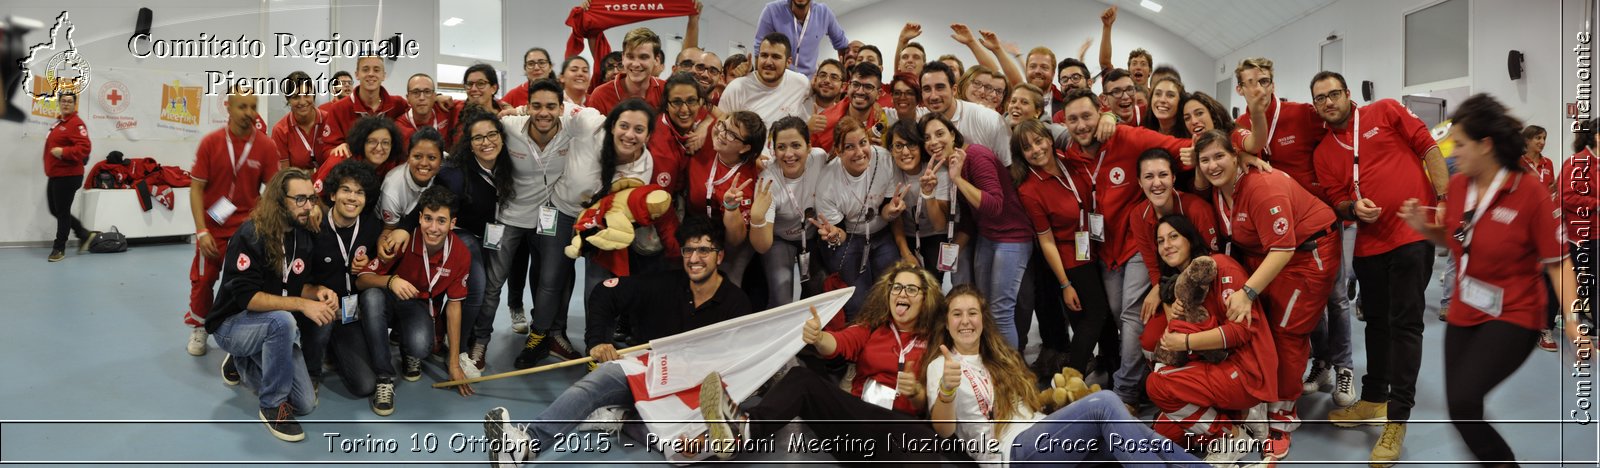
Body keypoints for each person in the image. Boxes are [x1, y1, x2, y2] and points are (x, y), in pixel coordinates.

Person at [1398, 94, 1585, 466]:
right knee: (1461, 408)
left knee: (1466, 400)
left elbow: (1558, 261)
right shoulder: (1459, 187)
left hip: (1514, 314)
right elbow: (1456, 237)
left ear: (1485, 145)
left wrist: (1575, 323)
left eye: (1460, 145)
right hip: (1466, 310)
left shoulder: (1528, 191)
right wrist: (1425, 228)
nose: (1452, 152)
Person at [482, 215, 752, 466]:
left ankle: (621, 418)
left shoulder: (737, 305)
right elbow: (605, 293)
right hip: (649, 371)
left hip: (692, 391)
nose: (694, 258)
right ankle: (524, 446)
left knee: (686, 448)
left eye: (704, 250)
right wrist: (598, 341)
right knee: (595, 383)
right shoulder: (665, 285)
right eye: (688, 250)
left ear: (720, 257)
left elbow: (739, 365)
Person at [1309, 71, 1447, 465]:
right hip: (1369, 246)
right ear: (1316, 106)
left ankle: (1397, 419)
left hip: (1410, 235)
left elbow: (1428, 149)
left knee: (1405, 326)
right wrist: (1352, 208)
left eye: (1334, 93)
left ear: (1348, 94)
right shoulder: (1323, 151)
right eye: (1320, 98)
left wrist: (1443, 199)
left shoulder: (1383, 111)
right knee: (1378, 325)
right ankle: (1372, 399)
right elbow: (1336, 198)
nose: (1329, 101)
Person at [920, 285, 1208, 465]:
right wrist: (947, 389)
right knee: (1105, 403)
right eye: (957, 314)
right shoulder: (942, 366)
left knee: (1130, 432)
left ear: (983, 319)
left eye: (972, 313)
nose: (966, 321)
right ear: (946, 322)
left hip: (1045, 437)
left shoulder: (1001, 356)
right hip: (1010, 455)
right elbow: (944, 431)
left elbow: (1033, 405)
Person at [699, 262, 948, 463]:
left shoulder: (935, 342)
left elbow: (932, 405)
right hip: (858, 425)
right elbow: (840, 342)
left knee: (923, 439)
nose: (902, 293)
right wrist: (819, 338)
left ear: (926, 298)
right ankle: (746, 429)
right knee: (801, 379)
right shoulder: (872, 329)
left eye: (911, 289)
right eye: (896, 287)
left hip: (902, 431)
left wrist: (916, 392)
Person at [1195, 128, 1340, 460]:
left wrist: (1247, 291)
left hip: (1307, 254)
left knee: (1287, 332)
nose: (1213, 165)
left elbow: (1283, 248)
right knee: (1261, 328)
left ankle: (1284, 418)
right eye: (1205, 160)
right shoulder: (1219, 190)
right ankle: (1262, 398)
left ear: (1236, 157)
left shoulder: (1263, 186)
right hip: (1267, 253)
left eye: (1220, 156)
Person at [1055, 87, 1189, 409]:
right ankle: (1145, 373)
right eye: (1073, 120)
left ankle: (1126, 392)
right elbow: (1026, 130)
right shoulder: (1067, 154)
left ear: (1100, 110)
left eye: (1087, 116)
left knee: (1130, 313)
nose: (1082, 125)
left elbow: (1183, 148)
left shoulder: (1128, 138)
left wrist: (1238, 149)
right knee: (1118, 314)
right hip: (1102, 251)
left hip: (1136, 244)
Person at [1142, 214, 1278, 463]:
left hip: (1247, 368)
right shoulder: (1180, 287)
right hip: (1218, 366)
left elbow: (1241, 332)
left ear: (1190, 240)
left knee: (1157, 385)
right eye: (1160, 241)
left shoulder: (1221, 266)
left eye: (1174, 237)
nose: (1167, 245)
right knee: (1164, 432)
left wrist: (1183, 343)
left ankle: (1232, 437)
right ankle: (1240, 417)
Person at [209, 168, 325, 442]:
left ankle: (243, 361)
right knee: (283, 320)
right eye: (300, 199)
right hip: (232, 323)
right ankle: (272, 405)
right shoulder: (251, 235)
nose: (308, 206)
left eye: (311, 198)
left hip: (267, 323)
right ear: (278, 200)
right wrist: (301, 305)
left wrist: (319, 292)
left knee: (305, 403)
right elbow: (248, 298)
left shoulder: (302, 235)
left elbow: (293, 285)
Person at [499, 79, 604, 368]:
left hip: (559, 213)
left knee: (556, 277)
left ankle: (549, 334)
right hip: (522, 214)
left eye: (550, 106)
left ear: (562, 108)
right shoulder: (511, 126)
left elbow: (588, 116)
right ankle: (539, 332)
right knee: (530, 277)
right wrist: (513, 110)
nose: (543, 112)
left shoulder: (574, 126)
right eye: (536, 106)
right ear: (527, 107)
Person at [356, 185, 477, 416]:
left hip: (417, 305)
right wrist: (391, 281)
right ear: (419, 218)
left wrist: (453, 364)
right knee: (371, 298)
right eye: (428, 219)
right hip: (386, 297)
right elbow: (362, 280)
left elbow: (454, 306)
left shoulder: (461, 254)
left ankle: (407, 347)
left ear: (453, 224)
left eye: (441, 221)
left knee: (422, 347)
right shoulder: (402, 240)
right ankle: (384, 377)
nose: (433, 228)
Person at [186, 86, 284, 357]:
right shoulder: (211, 143)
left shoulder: (265, 145)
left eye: (253, 107)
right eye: (243, 106)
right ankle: (200, 327)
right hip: (213, 229)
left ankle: (244, 332)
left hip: (247, 232)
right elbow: (196, 189)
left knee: (248, 283)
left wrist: (261, 220)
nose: (249, 113)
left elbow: (273, 190)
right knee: (203, 281)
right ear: (228, 106)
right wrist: (201, 231)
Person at [1012, 119, 1112, 374]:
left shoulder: (1067, 160)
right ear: (1021, 154)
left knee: (1102, 320)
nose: (1036, 150)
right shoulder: (1029, 189)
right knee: (1096, 315)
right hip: (1071, 259)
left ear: (1049, 139)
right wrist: (1065, 284)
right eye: (1027, 147)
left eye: (1039, 141)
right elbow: (1046, 241)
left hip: (1095, 248)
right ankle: (1072, 379)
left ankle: (1113, 371)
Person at [934, 113, 1032, 346]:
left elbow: (994, 206)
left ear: (953, 134)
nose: (933, 142)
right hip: (987, 237)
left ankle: (1011, 373)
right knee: (983, 307)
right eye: (927, 137)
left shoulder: (976, 155)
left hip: (1012, 238)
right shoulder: (952, 164)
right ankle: (990, 365)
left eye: (939, 134)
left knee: (1001, 311)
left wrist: (957, 180)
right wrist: (952, 251)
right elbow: (970, 216)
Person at [303, 159, 382, 399]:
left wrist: (370, 263)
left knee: (365, 386)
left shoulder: (371, 227)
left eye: (359, 192)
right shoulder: (314, 227)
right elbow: (297, 282)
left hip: (349, 315)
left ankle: (333, 349)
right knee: (323, 316)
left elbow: (379, 263)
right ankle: (311, 371)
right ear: (333, 194)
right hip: (318, 310)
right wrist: (316, 292)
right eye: (346, 190)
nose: (352, 197)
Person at [814, 115, 905, 317]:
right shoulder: (827, 182)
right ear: (837, 151)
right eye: (849, 147)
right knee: (858, 304)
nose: (859, 152)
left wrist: (890, 212)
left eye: (863, 143)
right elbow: (841, 233)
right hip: (850, 238)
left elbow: (884, 206)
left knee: (891, 292)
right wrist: (835, 235)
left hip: (881, 234)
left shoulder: (884, 159)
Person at [750, 116, 830, 307]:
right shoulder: (767, 181)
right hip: (780, 239)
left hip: (812, 237)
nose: (789, 154)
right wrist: (757, 217)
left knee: (818, 292)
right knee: (781, 298)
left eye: (796, 145)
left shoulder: (819, 158)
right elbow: (761, 246)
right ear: (773, 150)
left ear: (808, 147)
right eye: (781, 147)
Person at [689, 110, 765, 288]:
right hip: (693, 224)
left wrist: (731, 208)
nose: (721, 134)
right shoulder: (710, 137)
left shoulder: (745, 183)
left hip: (724, 236)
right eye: (723, 126)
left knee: (727, 283)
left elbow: (736, 240)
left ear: (745, 148)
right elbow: (707, 105)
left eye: (731, 135)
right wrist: (705, 124)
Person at [1234, 57, 1324, 195]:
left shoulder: (1302, 113)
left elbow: (1337, 140)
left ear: (1273, 86)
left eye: (1264, 81)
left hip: (1311, 200)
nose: (1259, 89)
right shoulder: (1239, 125)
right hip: (1270, 203)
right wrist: (1240, 155)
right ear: (1239, 89)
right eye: (1251, 82)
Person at [886, 119, 950, 280]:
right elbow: (895, 219)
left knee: (932, 284)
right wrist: (905, 252)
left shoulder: (938, 172)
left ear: (920, 146)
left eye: (911, 144)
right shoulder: (890, 171)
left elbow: (940, 224)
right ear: (891, 150)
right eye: (899, 146)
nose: (905, 152)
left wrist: (928, 194)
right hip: (905, 236)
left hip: (934, 235)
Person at [915, 61, 1013, 165]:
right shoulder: (919, 120)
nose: (933, 96)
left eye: (940, 87)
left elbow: (1011, 167)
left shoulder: (989, 119)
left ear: (954, 90)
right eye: (927, 89)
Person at [41, 90, 97, 262]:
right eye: (63, 101)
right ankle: (84, 234)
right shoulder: (59, 123)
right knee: (55, 209)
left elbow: (85, 148)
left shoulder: (76, 124)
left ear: (74, 105)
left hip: (69, 175)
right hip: (56, 174)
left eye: (69, 101)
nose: (66, 104)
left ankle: (59, 248)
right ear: (59, 103)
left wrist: (64, 152)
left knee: (62, 212)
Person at [321, 56, 410, 159]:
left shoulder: (398, 104)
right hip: (354, 170)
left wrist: (433, 103)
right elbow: (326, 150)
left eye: (376, 70)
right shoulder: (339, 108)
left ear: (383, 76)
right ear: (357, 74)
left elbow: (418, 116)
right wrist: (335, 150)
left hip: (388, 170)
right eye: (365, 69)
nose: (371, 74)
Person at [718, 33, 814, 126]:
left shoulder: (801, 83)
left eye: (776, 57)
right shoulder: (736, 88)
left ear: (788, 62)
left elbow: (820, 94)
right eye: (764, 55)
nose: (768, 62)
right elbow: (719, 130)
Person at [754, 0, 857, 76]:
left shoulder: (824, 13)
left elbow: (842, 44)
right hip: (779, 79)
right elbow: (759, 49)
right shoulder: (771, 11)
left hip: (807, 84)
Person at [316, 115, 407, 191]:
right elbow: (317, 195)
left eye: (385, 143)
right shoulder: (340, 160)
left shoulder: (391, 165)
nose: (379, 148)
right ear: (362, 142)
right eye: (372, 141)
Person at [588, 28, 666, 115]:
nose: (636, 64)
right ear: (623, 58)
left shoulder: (666, 90)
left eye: (643, 57)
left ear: (656, 60)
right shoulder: (600, 95)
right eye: (630, 56)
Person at [813, 62, 885, 154]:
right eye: (855, 84)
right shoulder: (823, 121)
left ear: (878, 94)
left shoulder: (883, 120)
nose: (860, 91)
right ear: (848, 86)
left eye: (868, 87)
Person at [271, 72, 330, 171]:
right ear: (288, 99)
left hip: (329, 183)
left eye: (307, 95)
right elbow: (284, 176)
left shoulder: (329, 120)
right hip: (297, 186)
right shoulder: (280, 131)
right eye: (296, 97)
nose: (302, 102)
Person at [393, 73, 456, 151]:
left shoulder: (446, 109)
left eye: (427, 92)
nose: (422, 98)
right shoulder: (398, 128)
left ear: (434, 96)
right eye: (416, 92)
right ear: (407, 98)